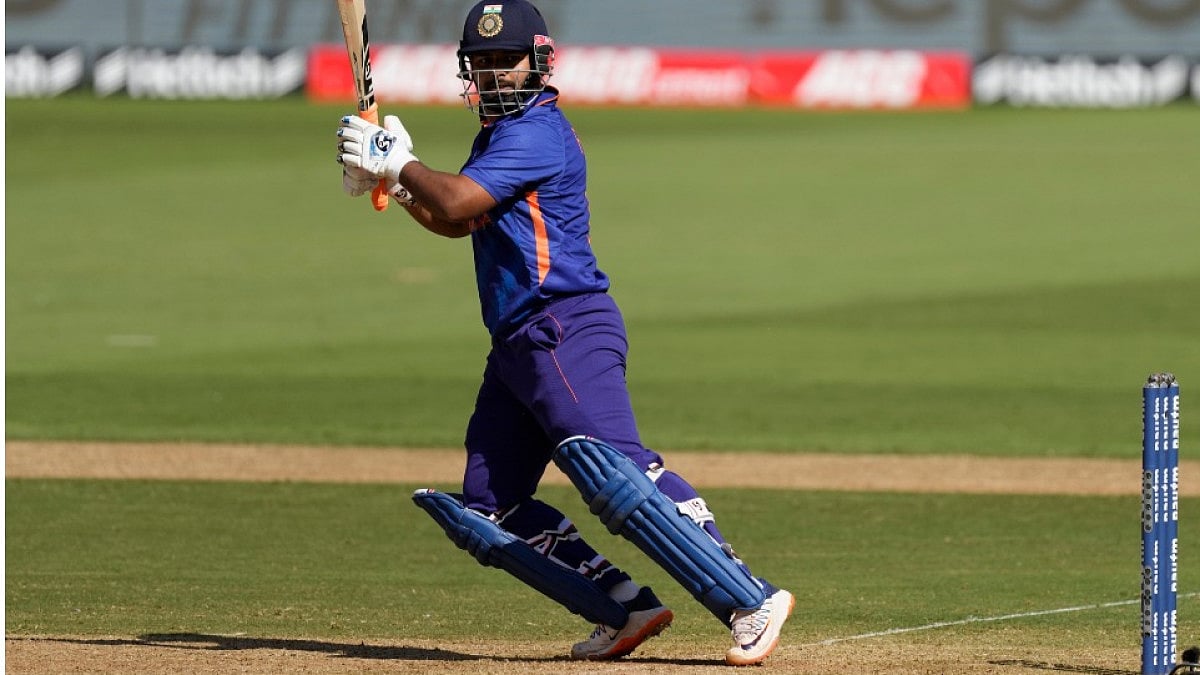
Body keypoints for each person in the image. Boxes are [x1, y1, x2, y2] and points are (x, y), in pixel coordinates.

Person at [335, 0, 793, 665]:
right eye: (481, 63)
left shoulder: (537, 132)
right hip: (517, 344)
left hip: (564, 326)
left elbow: (458, 199)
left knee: (615, 473)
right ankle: (623, 607)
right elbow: (458, 220)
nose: (493, 76)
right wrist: (397, 183)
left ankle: (749, 595)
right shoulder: (495, 139)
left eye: (506, 61)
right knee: (490, 510)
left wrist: (398, 162)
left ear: (540, 62)